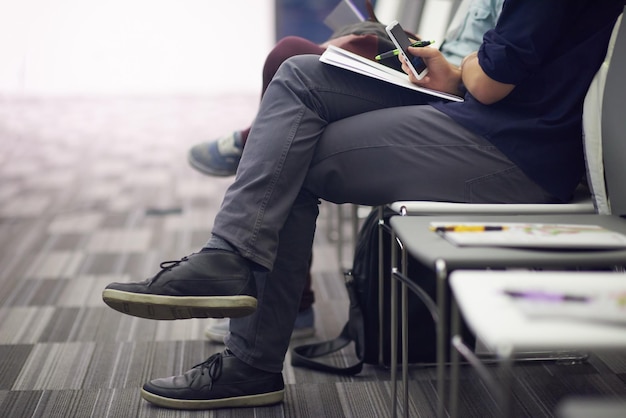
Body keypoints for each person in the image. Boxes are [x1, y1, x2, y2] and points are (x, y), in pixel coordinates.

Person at [102, 0, 623, 411]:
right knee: (299, 75)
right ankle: (232, 260)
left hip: (514, 150)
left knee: (292, 156)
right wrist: (464, 69)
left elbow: (490, 80)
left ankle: (247, 355)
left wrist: (463, 67)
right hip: (491, 122)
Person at [191, 0, 504, 344]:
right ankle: (253, 158)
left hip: (455, 97)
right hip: (439, 72)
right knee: (304, 61)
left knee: (293, 73)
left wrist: (465, 66)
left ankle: (250, 146)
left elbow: (494, 73)